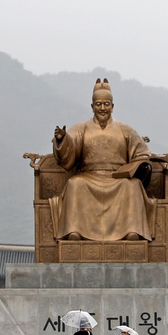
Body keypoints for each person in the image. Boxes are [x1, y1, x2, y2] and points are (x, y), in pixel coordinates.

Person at [49, 79, 155, 242]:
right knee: (75, 184)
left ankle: (132, 231)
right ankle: (74, 231)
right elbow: (69, 152)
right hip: (89, 176)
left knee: (133, 186)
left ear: (113, 106)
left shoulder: (125, 129)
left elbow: (141, 152)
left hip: (117, 178)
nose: (103, 108)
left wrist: (138, 164)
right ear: (92, 106)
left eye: (106, 104)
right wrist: (62, 140)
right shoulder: (81, 128)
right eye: (98, 104)